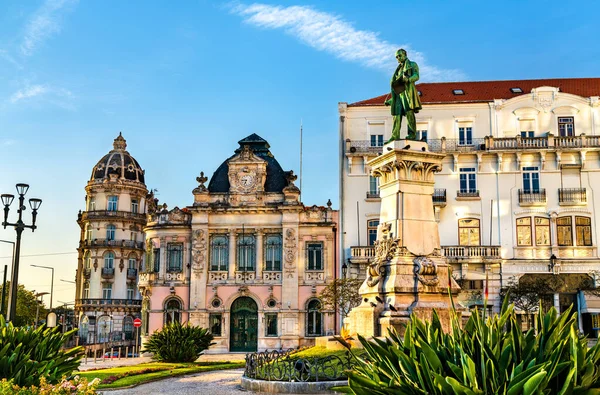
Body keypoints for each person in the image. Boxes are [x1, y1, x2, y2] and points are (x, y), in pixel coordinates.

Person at [385, 49, 422, 142]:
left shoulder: (412, 64)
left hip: (407, 92)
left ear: (405, 55)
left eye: (399, 55)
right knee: (396, 115)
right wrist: (390, 101)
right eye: (396, 57)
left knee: (409, 113)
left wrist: (408, 79)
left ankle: (412, 134)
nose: (398, 58)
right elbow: (395, 85)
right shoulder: (397, 70)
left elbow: (416, 76)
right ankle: (395, 135)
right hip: (398, 95)